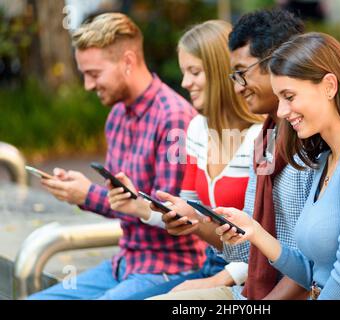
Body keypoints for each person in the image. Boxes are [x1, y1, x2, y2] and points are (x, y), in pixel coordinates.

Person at [28, 12, 205, 300]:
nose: (87, 85)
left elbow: (171, 215)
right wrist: (83, 191)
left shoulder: (174, 118)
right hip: (124, 263)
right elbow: (123, 200)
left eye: (94, 74)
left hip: (170, 269)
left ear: (127, 62)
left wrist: (87, 195)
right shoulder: (117, 116)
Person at [215, 32, 340, 300]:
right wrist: (254, 231)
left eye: (289, 96)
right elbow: (312, 272)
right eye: (279, 98)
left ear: (328, 86)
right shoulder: (326, 158)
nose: (280, 111)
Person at [149, 8, 314, 301]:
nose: (237, 87)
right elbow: (247, 246)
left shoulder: (311, 144)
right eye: (233, 75)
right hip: (251, 285)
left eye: (241, 74)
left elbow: (310, 268)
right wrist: (195, 221)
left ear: (278, 63)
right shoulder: (266, 137)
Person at [106, 19, 263, 298]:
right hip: (211, 264)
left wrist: (220, 279)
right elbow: (190, 212)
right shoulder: (196, 129)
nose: (185, 82)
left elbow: (268, 239)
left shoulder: (262, 137)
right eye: (184, 72)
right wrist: (142, 207)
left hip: (249, 273)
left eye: (194, 72)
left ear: (219, 72)